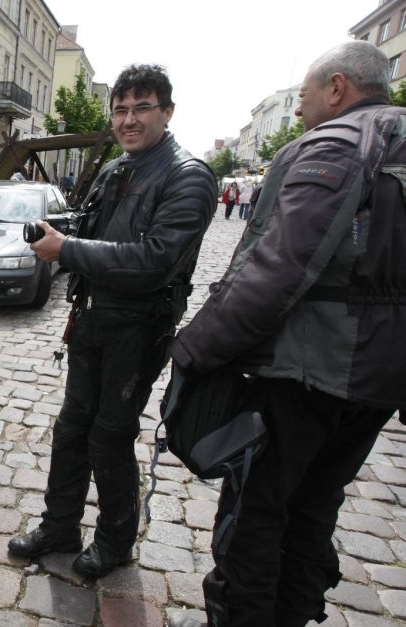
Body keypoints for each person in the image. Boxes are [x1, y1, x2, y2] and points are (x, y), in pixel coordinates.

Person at [169, 41, 406, 627]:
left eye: (302, 97)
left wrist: (195, 348)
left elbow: (275, 269)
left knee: (258, 516)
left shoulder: (337, 146)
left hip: (308, 370)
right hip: (380, 380)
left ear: (337, 88)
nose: (298, 112)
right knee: (314, 512)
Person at [7, 64, 216, 579]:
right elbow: (96, 224)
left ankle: (117, 541)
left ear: (167, 112)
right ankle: (59, 526)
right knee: (71, 428)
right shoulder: (117, 168)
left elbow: (155, 260)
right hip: (93, 318)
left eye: (141, 108)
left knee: (110, 436)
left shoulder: (188, 175)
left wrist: (68, 248)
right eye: (120, 109)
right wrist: (59, 231)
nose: (129, 119)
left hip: (139, 328)